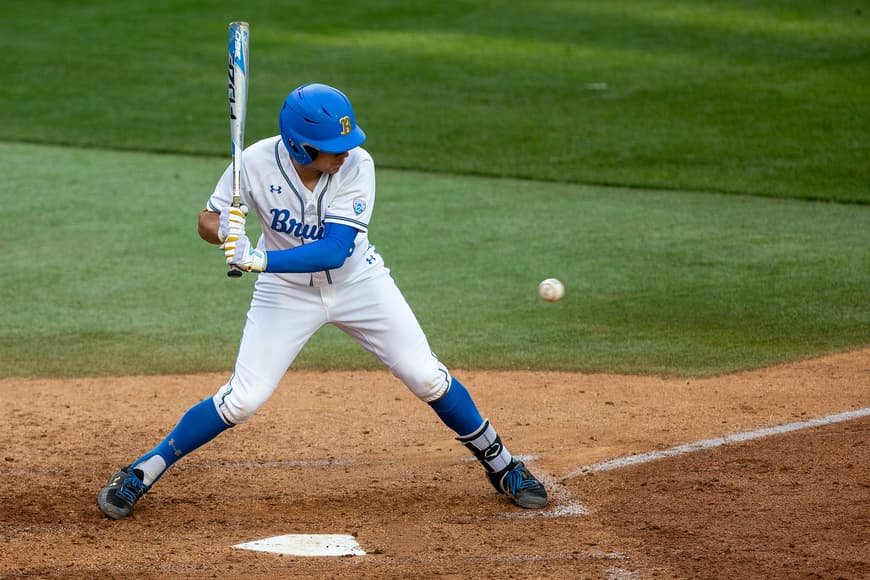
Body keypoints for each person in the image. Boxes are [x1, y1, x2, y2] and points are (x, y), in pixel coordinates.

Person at [97, 83, 548, 519]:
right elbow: (208, 218)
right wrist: (224, 230)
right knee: (242, 400)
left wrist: (256, 258)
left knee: (426, 376)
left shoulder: (357, 166)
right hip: (286, 295)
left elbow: (335, 249)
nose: (345, 151)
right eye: (334, 145)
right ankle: (141, 471)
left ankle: (503, 464)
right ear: (299, 147)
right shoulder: (253, 162)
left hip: (359, 284)